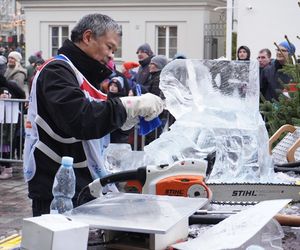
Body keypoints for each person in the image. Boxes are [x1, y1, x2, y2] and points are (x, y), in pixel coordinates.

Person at [23, 13, 164, 216]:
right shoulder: (56, 70)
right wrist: (128, 106)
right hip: (56, 187)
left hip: (82, 182)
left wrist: (124, 120)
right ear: (88, 37)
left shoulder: (85, 75)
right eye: (109, 47)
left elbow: (98, 121)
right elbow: (80, 119)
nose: (111, 56)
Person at [107, 76, 131, 144]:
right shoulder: (106, 97)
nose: (112, 87)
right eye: (111, 85)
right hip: (108, 132)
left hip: (120, 134)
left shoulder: (124, 100)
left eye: (115, 86)